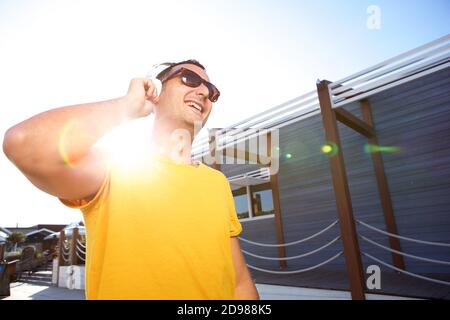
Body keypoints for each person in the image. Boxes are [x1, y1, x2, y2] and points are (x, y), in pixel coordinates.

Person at [3, 59, 259, 300]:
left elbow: (239, 282)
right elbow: (24, 144)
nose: (204, 91)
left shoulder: (217, 183)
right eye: (190, 79)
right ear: (156, 90)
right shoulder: (114, 168)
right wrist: (128, 106)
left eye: (212, 91)